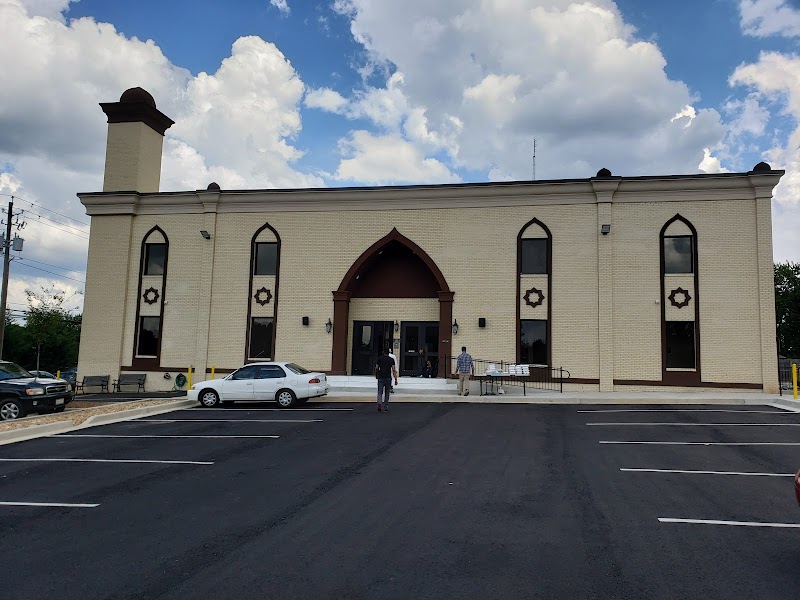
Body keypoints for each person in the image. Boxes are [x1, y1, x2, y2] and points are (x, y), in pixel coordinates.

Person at [374, 347, 397, 412]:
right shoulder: (391, 360)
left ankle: (379, 402)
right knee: (387, 393)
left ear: (383, 352)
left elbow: (376, 368)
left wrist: (376, 374)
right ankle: (386, 407)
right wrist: (395, 379)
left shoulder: (380, 358)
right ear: (389, 352)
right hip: (388, 377)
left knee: (380, 392)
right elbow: (393, 370)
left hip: (381, 377)